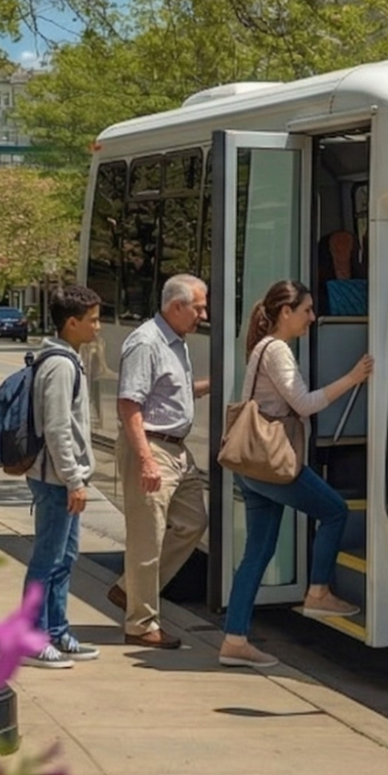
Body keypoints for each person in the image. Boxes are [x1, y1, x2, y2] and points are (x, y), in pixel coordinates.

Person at [220, 280, 375, 668]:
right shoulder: (277, 350)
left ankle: (235, 640)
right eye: (306, 310)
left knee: (257, 552)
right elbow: (304, 404)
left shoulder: (262, 347)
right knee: (335, 510)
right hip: (274, 465)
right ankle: (318, 592)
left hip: (253, 466)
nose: (313, 317)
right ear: (286, 312)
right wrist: (353, 378)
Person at [107, 273, 212, 649]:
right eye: (199, 308)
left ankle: (128, 589)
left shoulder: (176, 342)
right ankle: (141, 624)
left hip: (177, 449)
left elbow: (170, 393)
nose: (204, 315)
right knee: (146, 539)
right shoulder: (146, 342)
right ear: (176, 306)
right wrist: (146, 460)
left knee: (192, 522)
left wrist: (211, 384)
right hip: (152, 448)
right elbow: (129, 404)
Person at [21, 285, 103, 669]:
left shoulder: (67, 360)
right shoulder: (60, 365)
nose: (98, 327)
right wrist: (73, 479)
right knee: (47, 559)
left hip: (62, 479)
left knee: (65, 558)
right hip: (56, 481)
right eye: (93, 320)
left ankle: (57, 631)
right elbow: (56, 429)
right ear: (71, 323)